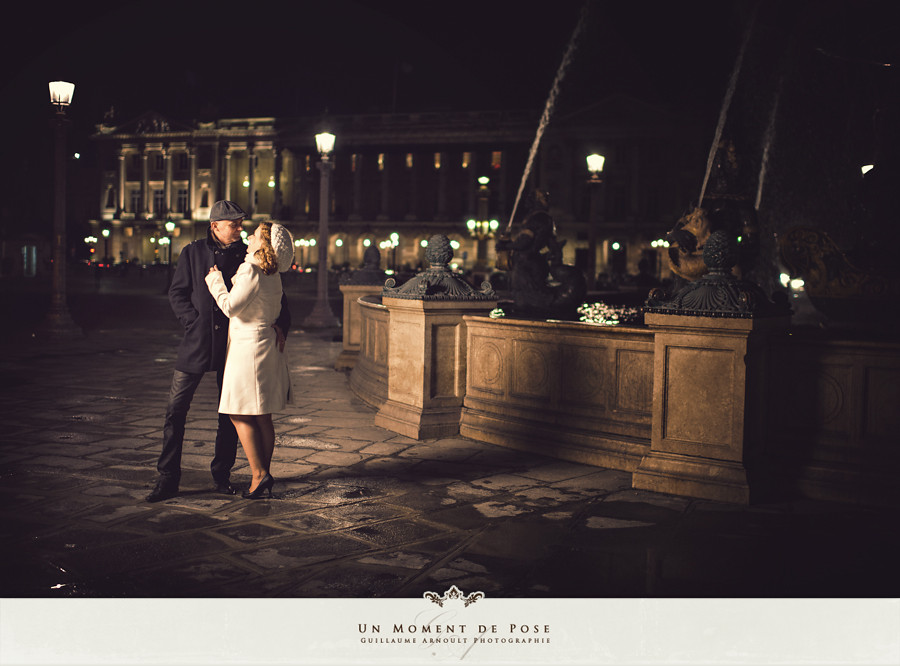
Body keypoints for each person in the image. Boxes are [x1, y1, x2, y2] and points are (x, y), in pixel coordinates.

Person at [146, 201, 290, 503]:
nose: (240, 229)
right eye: (233, 224)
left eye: (241, 223)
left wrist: (281, 324)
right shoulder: (192, 252)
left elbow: (277, 295)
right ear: (215, 226)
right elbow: (177, 293)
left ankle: (221, 475)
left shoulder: (248, 254)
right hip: (198, 342)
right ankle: (168, 477)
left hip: (235, 345)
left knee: (230, 413)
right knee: (175, 409)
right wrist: (192, 322)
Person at [205, 221, 294, 499]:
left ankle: (259, 474)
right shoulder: (272, 274)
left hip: (248, 350)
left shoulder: (251, 269)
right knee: (262, 415)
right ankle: (263, 475)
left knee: (237, 412)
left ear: (264, 244)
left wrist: (215, 282)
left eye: (255, 235)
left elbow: (231, 307)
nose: (249, 238)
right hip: (265, 345)